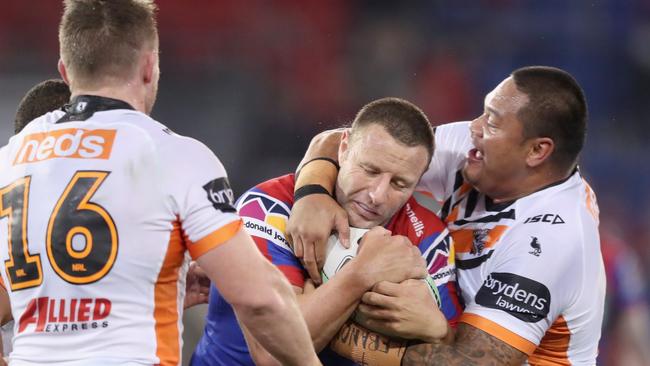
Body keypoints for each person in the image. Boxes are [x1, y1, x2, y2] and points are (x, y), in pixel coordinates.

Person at [0, 1, 319, 365]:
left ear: (65, 72)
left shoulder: (8, 160)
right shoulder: (175, 156)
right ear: (150, 67)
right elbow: (259, 298)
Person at [288, 66, 605, 365]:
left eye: (492, 122)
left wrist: (321, 324)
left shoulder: (550, 241)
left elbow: (469, 362)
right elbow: (349, 142)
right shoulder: (470, 150)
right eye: (483, 112)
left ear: (537, 151)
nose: (474, 127)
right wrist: (311, 193)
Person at [191, 97, 463, 366]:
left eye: (400, 184)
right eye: (369, 170)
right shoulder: (267, 207)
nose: (377, 195)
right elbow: (272, 354)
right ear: (343, 149)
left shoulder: (429, 238)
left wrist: (439, 330)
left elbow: (456, 353)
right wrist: (363, 273)